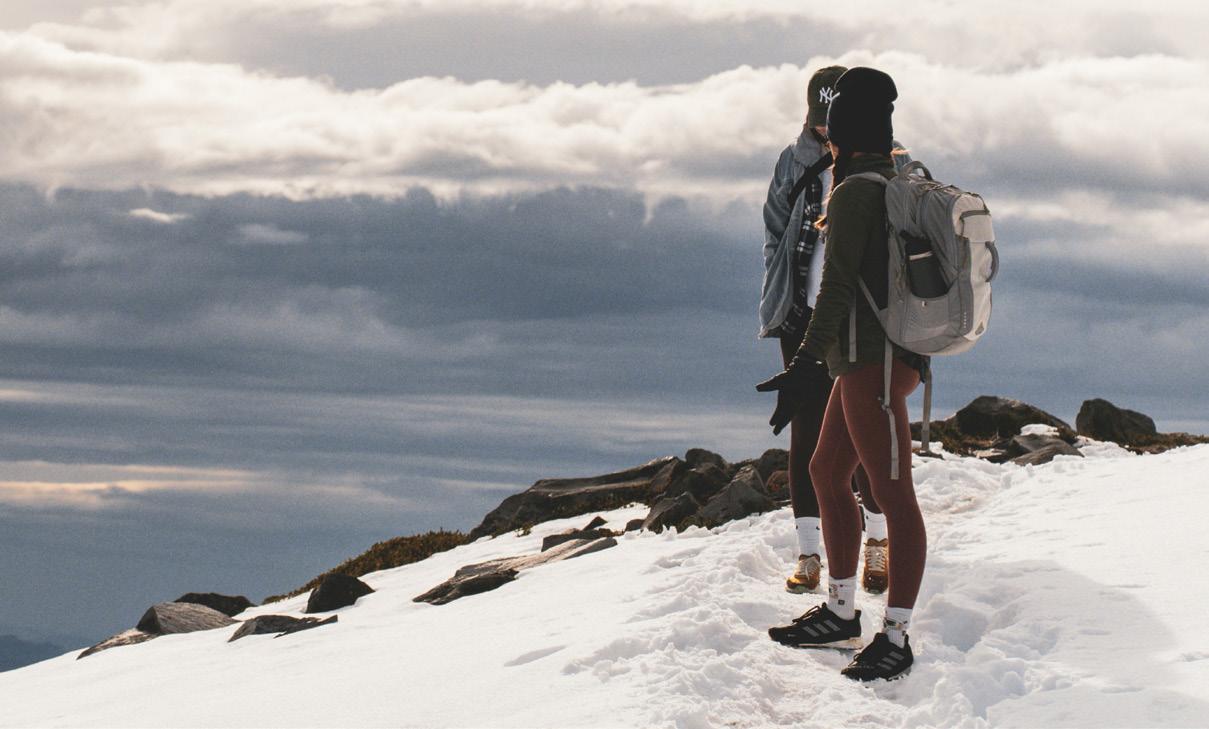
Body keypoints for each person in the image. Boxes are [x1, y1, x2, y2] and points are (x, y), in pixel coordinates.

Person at [758, 67, 929, 682]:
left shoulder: (856, 192)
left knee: (894, 495)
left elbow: (834, 292)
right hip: (874, 360)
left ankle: (896, 637)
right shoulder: (897, 180)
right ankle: (839, 611)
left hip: (871, 365)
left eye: (832, 130)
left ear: (844, 133)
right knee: (827, 472)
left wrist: (804, 365)